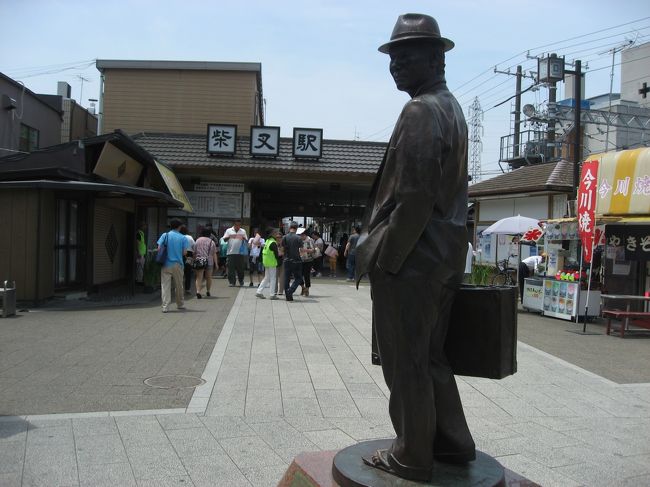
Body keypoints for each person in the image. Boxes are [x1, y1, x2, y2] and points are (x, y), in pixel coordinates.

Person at [355, 14, 475, 481]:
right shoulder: (451, 108)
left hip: (413, 258)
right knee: (431, 358)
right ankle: (452, 442)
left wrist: (385, 259)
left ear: (436, 58)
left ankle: (411, 454)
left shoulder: (421, 110)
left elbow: (415, 197)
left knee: (406, 362)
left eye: (407, 56)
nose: (396, 65)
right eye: (393, 57)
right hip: (442, 256)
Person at [157, 219, 190, 313]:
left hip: (166, 264)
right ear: (179, 226)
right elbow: (184, 252)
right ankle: (180, 304)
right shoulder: (183, 238)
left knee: (165, 285)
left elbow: (159, 248)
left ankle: (165, 307)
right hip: (178, 264)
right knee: (179, 285)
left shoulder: (165, 235)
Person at [256, 228, 281, 300]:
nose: (277, 233)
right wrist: (279, 258)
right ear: (272, 234)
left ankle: (259, 291)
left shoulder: (267, 241)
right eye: (275, 232)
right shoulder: (273, 242)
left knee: (267, 277)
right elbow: (276, 255)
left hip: (266, 262)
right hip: (272, 262)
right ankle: (272, 294)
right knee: (273, 278)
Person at [281, 221, 303, 301]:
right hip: (296, 260)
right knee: (298, 278)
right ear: (296, 228)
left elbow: (282, 249)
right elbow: (301, 249)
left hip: (286, 260)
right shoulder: (298, 238)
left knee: (287, 278)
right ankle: (291, 290)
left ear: (290, 228)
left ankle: (288, 297)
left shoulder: (284, 237)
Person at [194, 227, 218, 299]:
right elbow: (214, 254)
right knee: (208, 277)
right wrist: (216, 264)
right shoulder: (211, 242)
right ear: (209, 234)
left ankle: (198, 291)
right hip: (209, 261)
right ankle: (208, 291)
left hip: (199, 260)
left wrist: (194, 259)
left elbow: (194, 251)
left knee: (199, 277)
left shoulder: (197, 240)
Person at [222, 219, 248, 287]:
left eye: (239, 225)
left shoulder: (243, 231)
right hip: (230, 252)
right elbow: (224, 239)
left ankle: (241, 280)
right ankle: (232, 282)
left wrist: (243, 238)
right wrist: (230, 236)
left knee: (241, 268)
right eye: (236, 225)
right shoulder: (229, 230)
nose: (238, 226)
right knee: (231, 268)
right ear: (234, 224)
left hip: (240, 253)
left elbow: (246, 240)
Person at [298, 227, 315, 296]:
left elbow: (313, 250)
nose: (301, 236)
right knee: (299, 275)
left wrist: (305, 250)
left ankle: (307, 289)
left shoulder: (310, 240)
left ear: (305, 235)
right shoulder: (299, 240)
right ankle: (303, 287)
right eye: (300, 235)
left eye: (302, 235)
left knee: (306, 275)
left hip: (308, 260)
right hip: (300, 260)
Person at [180, 225, 195, 294]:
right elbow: (194, 247)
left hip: (179, 255)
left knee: (179, 272)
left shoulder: (178, 237)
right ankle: (187, 289)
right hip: (189, 255)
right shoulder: (189, 237)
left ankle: (178, 288)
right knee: (188, 273)